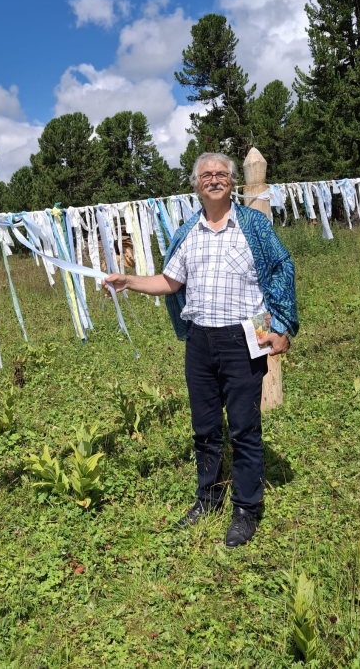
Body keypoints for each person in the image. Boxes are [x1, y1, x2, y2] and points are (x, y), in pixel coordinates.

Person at [104, 152, 298, 547]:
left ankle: (246, 509)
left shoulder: (254, 225)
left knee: (244, 428)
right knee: (205, 428)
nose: (214, 179)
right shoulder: (187, 231)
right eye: (206, 174)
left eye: (221, 173)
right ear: (196, 184)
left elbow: (282, 268)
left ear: (232, 181)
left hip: (245, 338)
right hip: (199, 342)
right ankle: (208, 500)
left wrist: (281, 324)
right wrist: (129, 282)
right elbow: (170, 282)